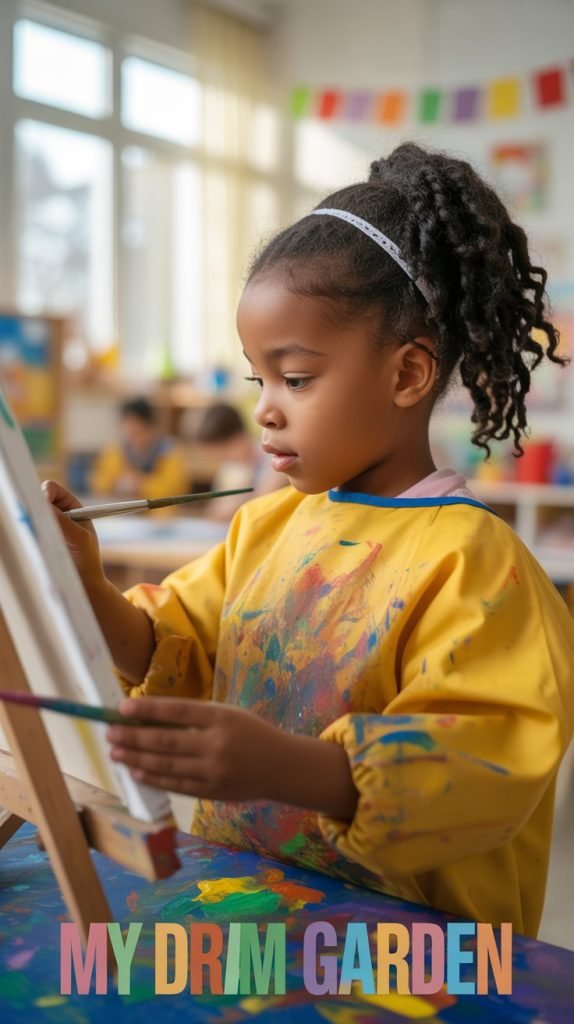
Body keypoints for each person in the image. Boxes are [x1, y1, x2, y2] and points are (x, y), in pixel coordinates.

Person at [44, 143, 574, 937]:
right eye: (260, 380)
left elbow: (484, 769)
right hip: (254, 918)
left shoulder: (478, 566)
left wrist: (285, 767)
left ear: (407, 376)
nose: (266, 409)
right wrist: (83, 583)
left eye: (295, 377)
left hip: (409, 960)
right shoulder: (269, 524)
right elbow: (175, 643)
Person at [194, 401, 286, 519]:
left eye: (223, 453)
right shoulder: (230, 468)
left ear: (238, 438)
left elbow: (263, 502)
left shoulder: (274, 457)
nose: (222, 460)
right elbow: (216, 510)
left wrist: (232, 506)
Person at [90, 396, 188, 502]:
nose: (134, 437)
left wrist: (141, 484)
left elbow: (176, 488)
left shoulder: (168, 450)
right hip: (123, 512)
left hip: (158, 513)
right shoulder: (115, 450)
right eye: (129, 432)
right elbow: (98, 482)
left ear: (151, 426)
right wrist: (117, 482)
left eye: (139, 432)